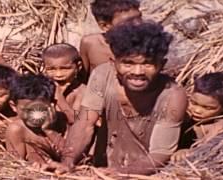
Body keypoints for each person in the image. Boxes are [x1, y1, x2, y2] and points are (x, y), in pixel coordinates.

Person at [57, 21, 187, 175]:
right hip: (103, 166)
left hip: (144, 174)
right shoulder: (102, 75)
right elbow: (85, 122)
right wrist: (68, 162)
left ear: (162, 65)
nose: (138, 72)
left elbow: (160, 152)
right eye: (128, 63)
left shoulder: (173, 95)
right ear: (113, 63)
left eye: (148, 64)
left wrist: (123, 173)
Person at [171, 72, 223, 162]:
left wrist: (185, 151)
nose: (197, 110)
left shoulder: (217, 126)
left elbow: (203, 149)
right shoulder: (182, 112)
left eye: (208, 108)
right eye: (194, 103)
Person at [5, 74, 65, 166]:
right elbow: (15, 164)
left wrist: (49, 131)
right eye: (27, 110)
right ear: (13, 107)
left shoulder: (61, 120)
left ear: (52, 105)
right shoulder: (17, 130)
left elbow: (70, 155)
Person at [80, 0, 142, 74]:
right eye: (129, 21)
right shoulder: (91, 44)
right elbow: (82, 79)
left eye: (139, 18)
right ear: (105, 26)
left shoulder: (148, 45)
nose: (138, 24)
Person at [42, 43, 86, 125]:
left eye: (65, 69)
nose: (58, 74)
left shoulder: (82, 92)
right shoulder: (42, 87)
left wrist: (59, 97)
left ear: (78, 66)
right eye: (51, 69)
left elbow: (76, 121)